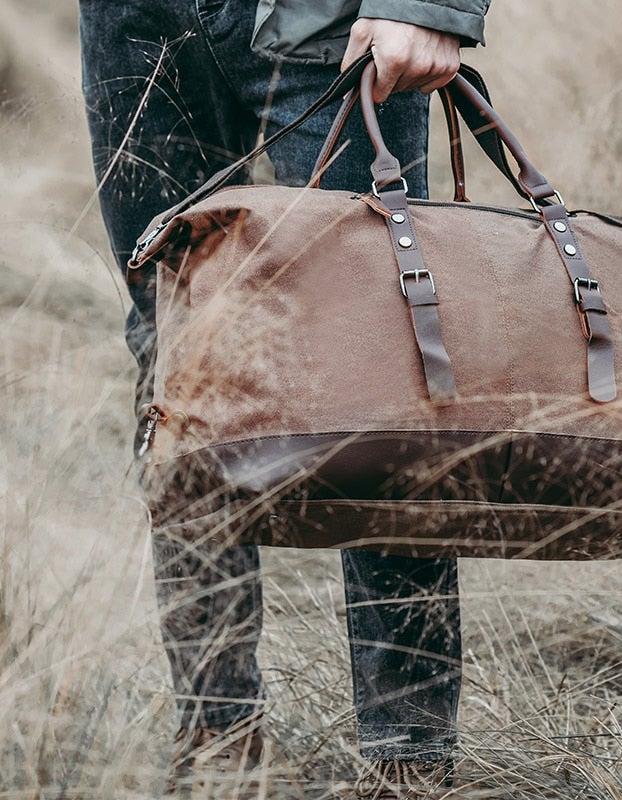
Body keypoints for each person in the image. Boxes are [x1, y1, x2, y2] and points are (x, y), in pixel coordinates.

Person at [79, 0, 490, 796]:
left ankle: (408, 761)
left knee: (381, 347)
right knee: (175, 346)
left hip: (329, 18)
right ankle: (217, 747)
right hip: (135, 23)